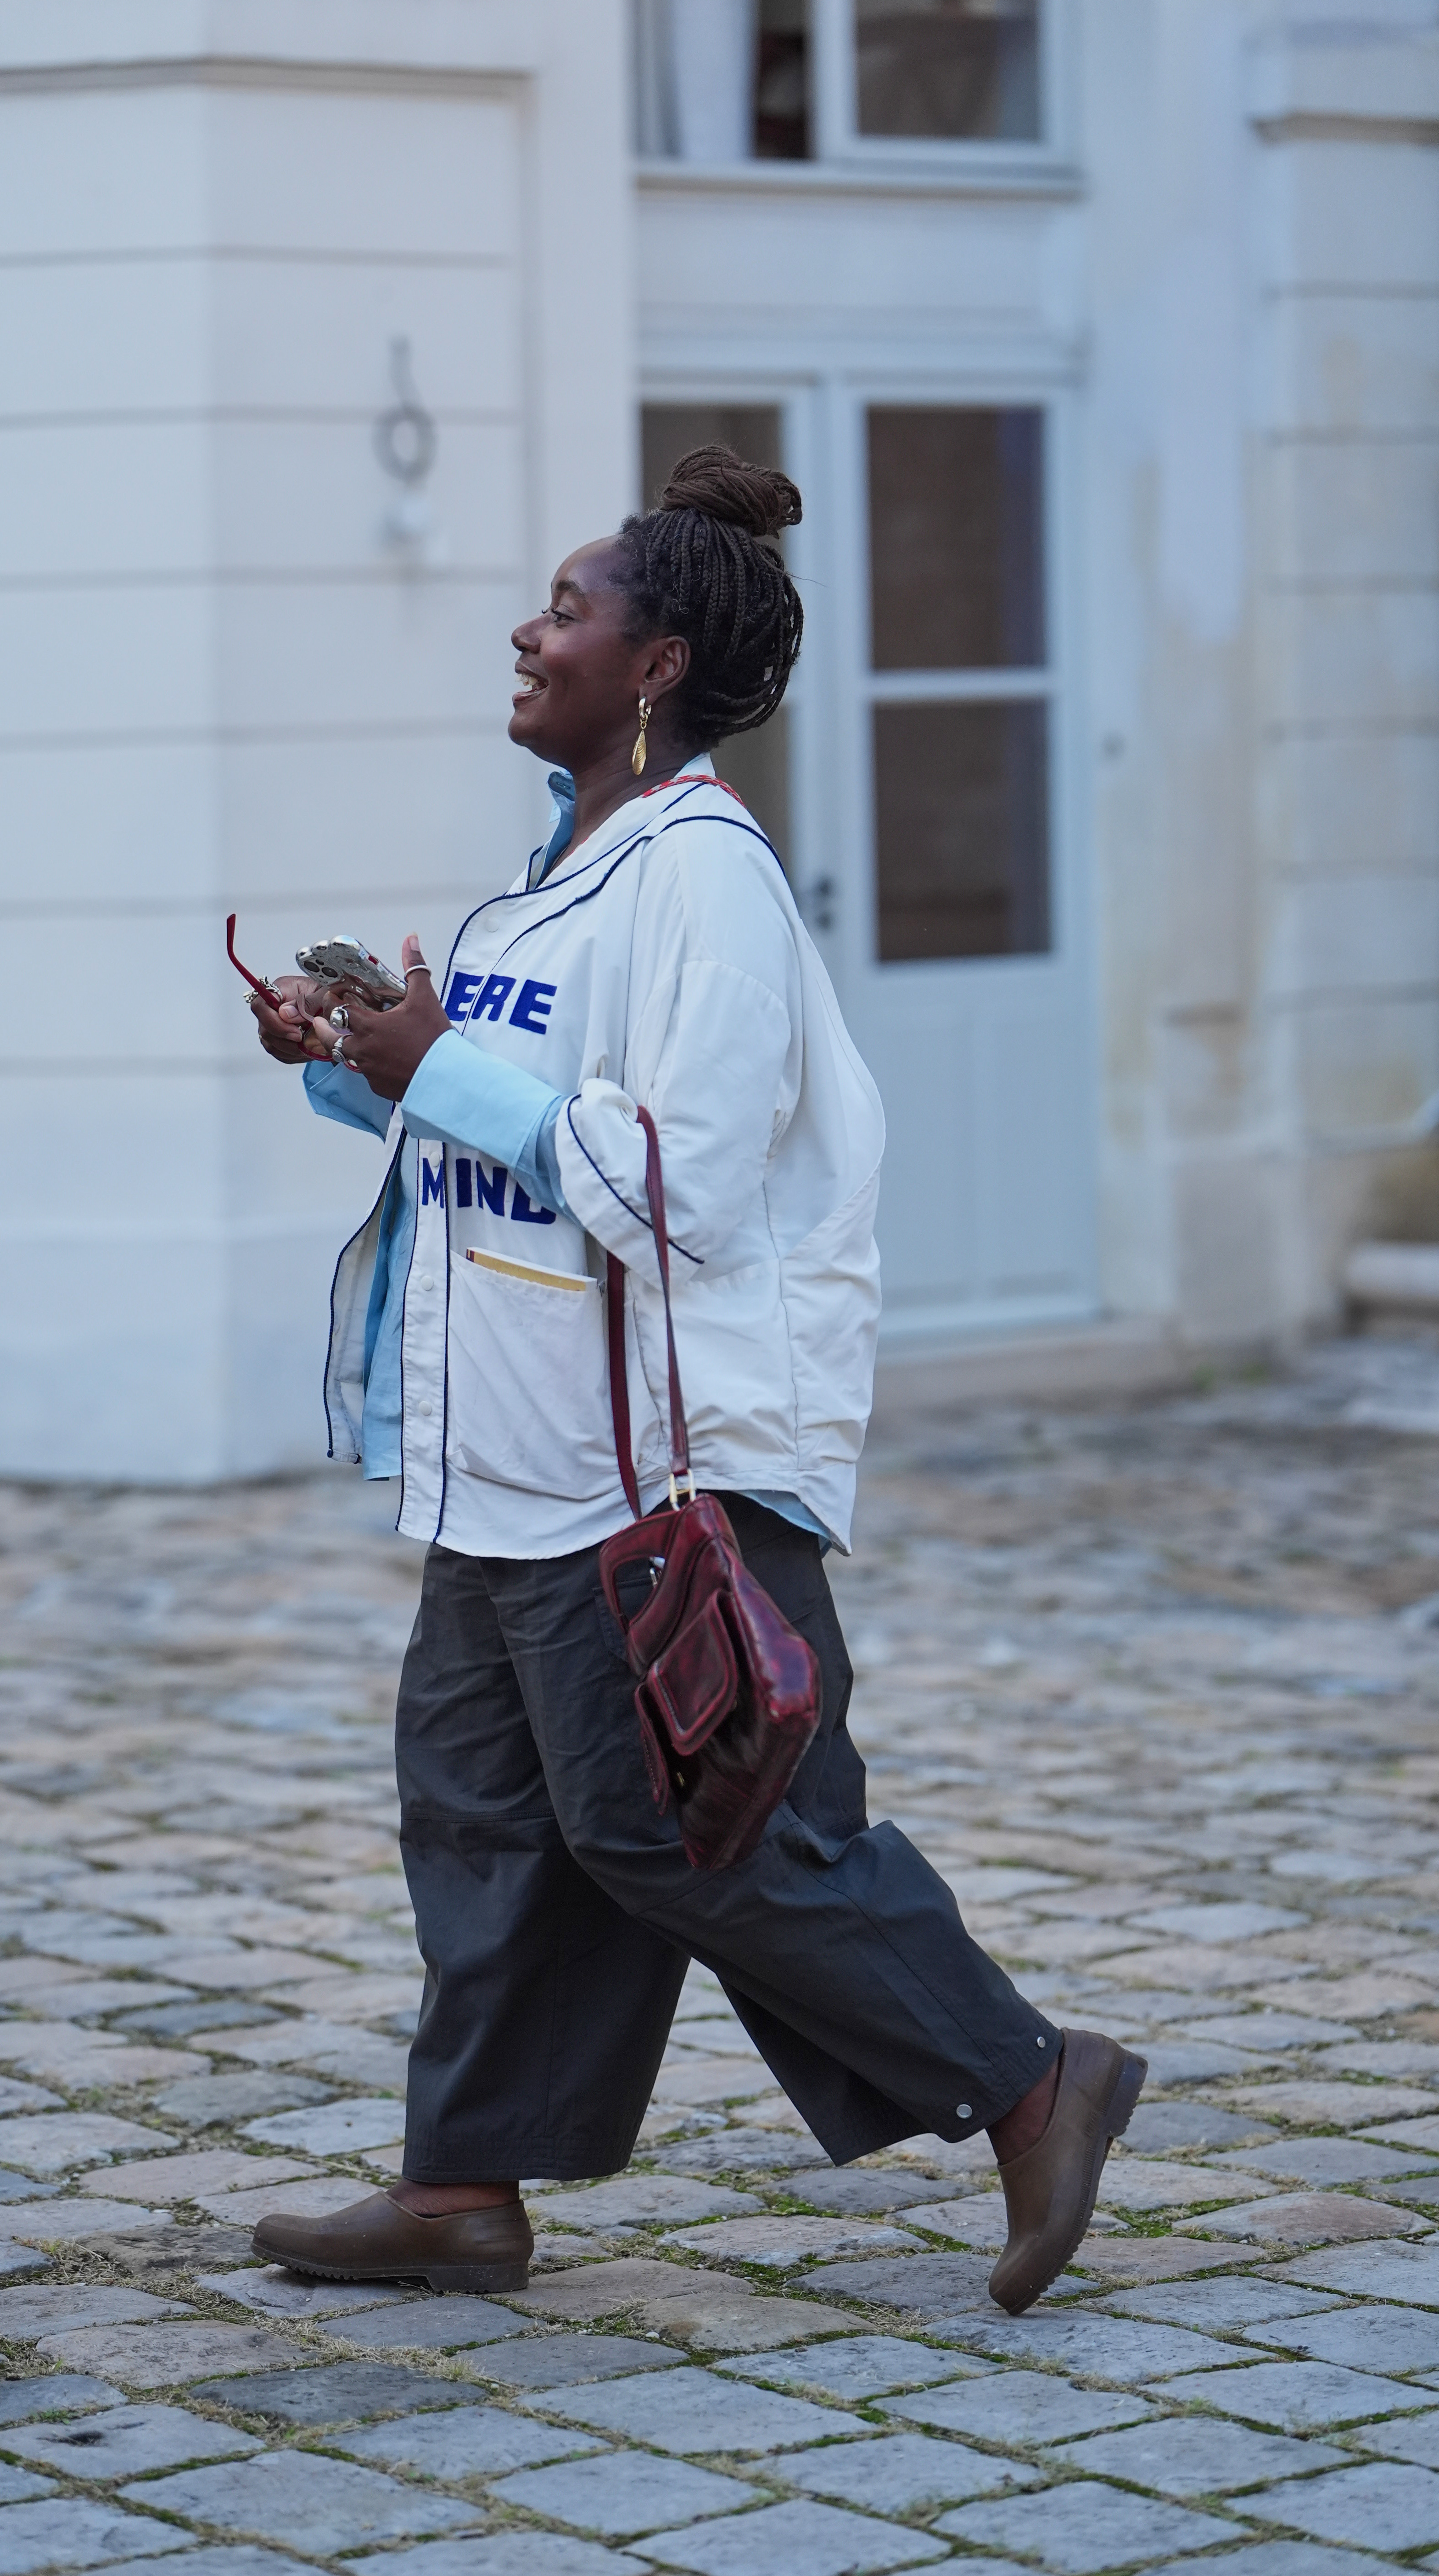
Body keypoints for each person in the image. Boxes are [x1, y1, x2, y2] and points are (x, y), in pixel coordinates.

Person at [245, 447, 1143, 2315]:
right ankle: (458, 2191)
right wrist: (353, 1058)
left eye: (563, 610)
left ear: (649, 664)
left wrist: (440, 1067)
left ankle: (1031, 2078)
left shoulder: (705, 884)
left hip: (645, 1471)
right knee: (481, 1823)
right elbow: (498, 1142)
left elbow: (681, 1186)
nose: (525, 629)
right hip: (502, 1458)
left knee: (698, 1828)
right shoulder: (553, 882)